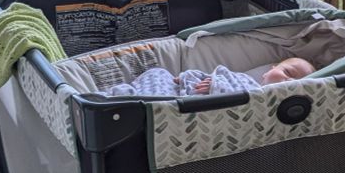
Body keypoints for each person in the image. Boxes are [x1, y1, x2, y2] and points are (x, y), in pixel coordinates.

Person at [105, 56, 315, 97]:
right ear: (271, 68)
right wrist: (188, 77)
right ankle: (114, 95)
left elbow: (240, 102)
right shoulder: (243, 78)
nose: (290, 82)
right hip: (179, 89)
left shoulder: (260, 96)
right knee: (157, 72)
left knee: (153, 99)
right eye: (288, 73)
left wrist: (215, 87)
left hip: (176, 103)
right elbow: (208, 76)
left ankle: (119, 99)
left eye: (297, 83)